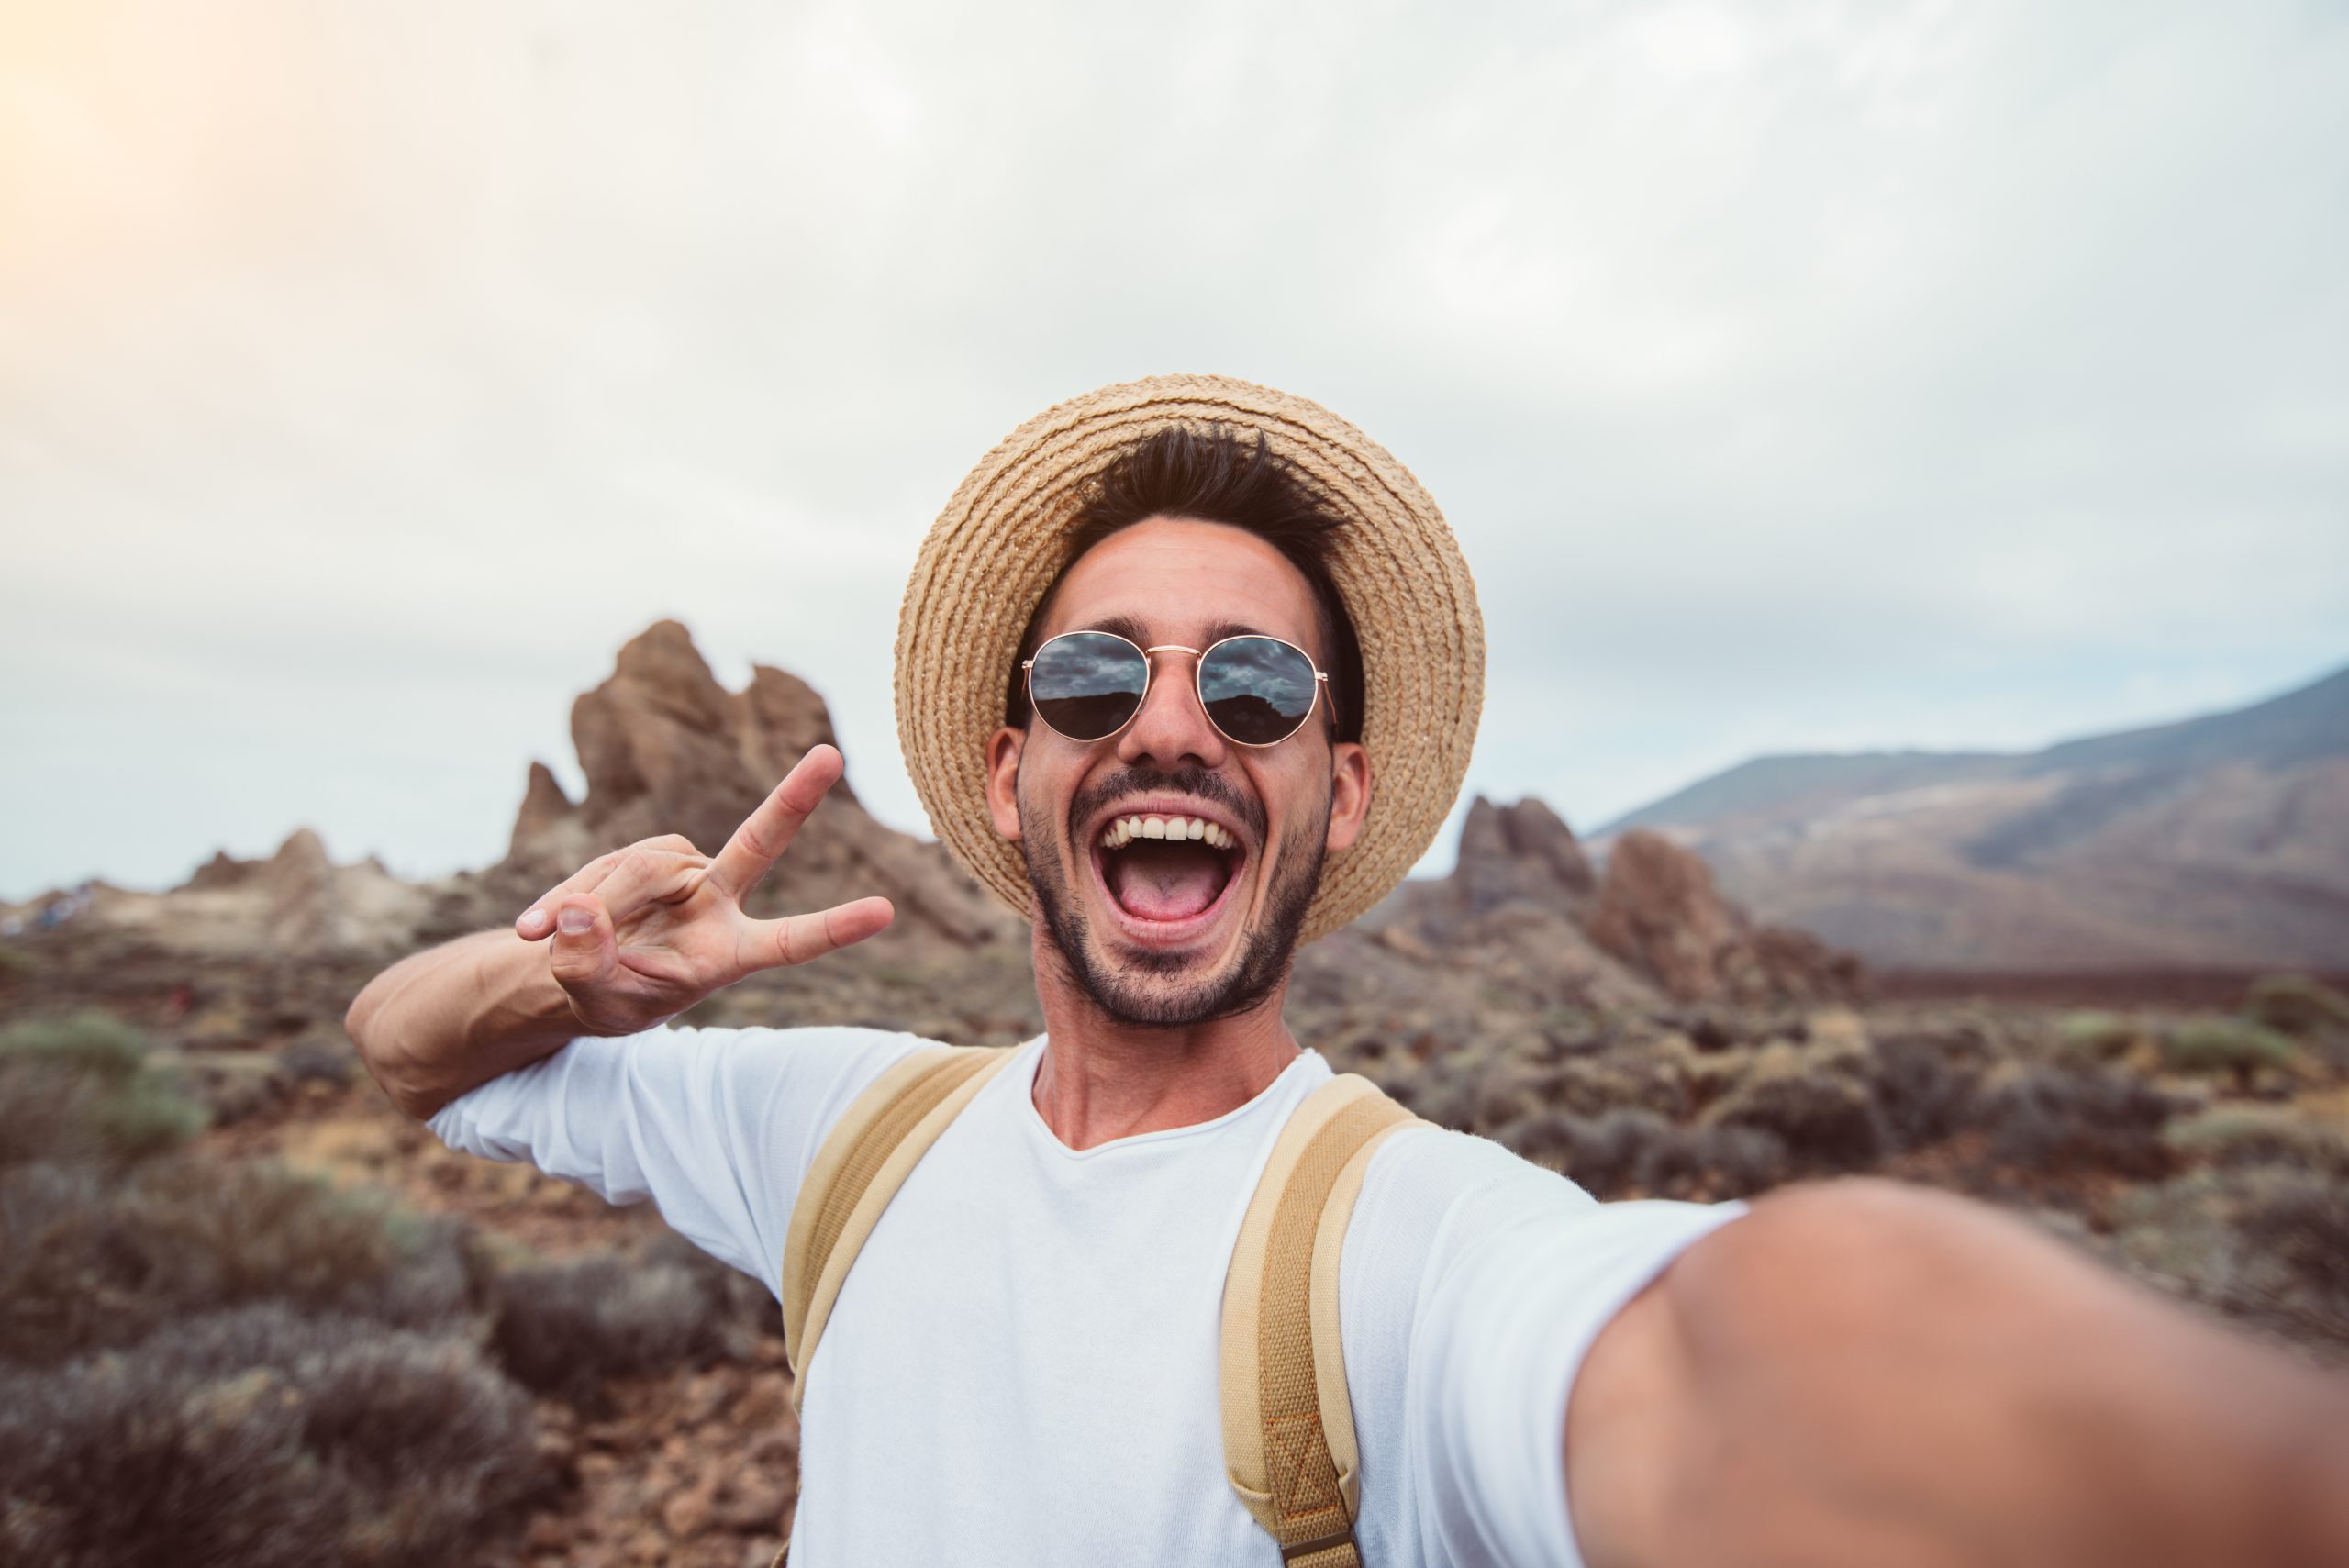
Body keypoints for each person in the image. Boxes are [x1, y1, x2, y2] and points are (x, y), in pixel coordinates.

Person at [348, 375, 2347, 1567]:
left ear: (1334, 782)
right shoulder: (840, 1126)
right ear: (1006, 765)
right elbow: (395, 1050)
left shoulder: (1403, 1251)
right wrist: (562, 977)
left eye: (1251, 681)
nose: (1167, 725)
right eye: (1084, 674)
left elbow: (1746, 1361)